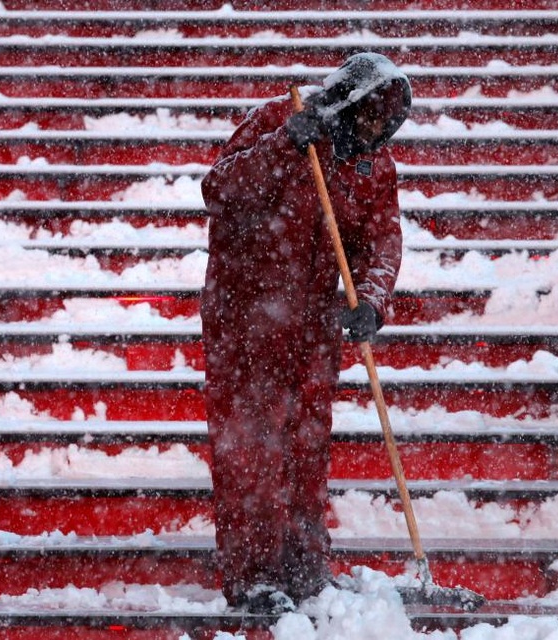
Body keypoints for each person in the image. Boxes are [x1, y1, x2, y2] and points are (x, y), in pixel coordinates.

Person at [200, 52, 411, 614]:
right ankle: (253, 574)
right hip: (247, 318)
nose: (375, 130)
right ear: (348, 99)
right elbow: (218, 191)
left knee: (307, 445)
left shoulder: (374, 165)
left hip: (313, 327)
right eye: (369, 115)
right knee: (251, 446)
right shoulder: (280, 119)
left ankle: (303, 564)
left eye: (386, 122)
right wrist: (284, 147)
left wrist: (370, 299)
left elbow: (382, 239)